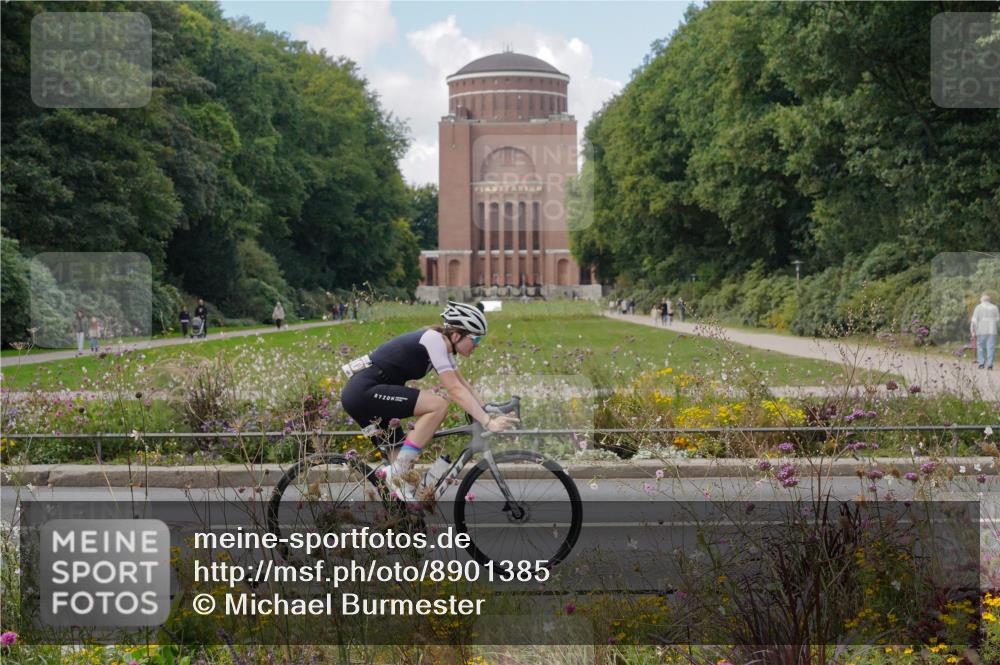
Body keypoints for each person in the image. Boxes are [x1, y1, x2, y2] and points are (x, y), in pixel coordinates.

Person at [340, 301, 518, 501]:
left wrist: (488, 410)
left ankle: (403, 522)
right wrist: (487, 422)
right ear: (457, 334)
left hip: (367, 395)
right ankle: (396, 471)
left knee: (403, 481)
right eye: (475, 338)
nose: (477, 344)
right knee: (438, 405)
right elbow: (454, 390)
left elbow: (463, 385)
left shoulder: (444, 347)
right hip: (363, 391)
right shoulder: (434, 340)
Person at [971, 293, 999, 370]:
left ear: (981, 300)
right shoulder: (994, 307)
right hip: (992, 330)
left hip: (981, 330)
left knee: (980, 347)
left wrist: (973, 330)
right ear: (989, 300)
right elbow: (997, 319)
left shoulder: (978, 307)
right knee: (991, 347)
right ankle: (990, 364)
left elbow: (974, 320)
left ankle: (981, 363)